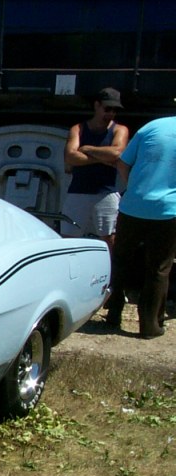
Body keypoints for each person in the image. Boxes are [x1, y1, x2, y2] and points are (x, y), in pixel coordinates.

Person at [104, 115, 176, 339]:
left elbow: (123, 162)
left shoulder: (152, 126)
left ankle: (113, 313)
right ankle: (150, 325)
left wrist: (133, 189)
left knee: (121, 260)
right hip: (168, 210)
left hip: (132, 206)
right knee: (159, 269)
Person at [61, 87, 129, 248]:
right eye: (107, 109)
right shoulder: (78, 129)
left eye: (114, 110)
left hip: (106, 193)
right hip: (78, 191)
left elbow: (117, 153)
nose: (111, 113)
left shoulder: (120, 130)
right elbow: (70, 157)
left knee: (109, 239)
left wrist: (87, 149)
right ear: (97, 105)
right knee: (68, 238)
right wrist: (103, 158)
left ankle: (111, 265)